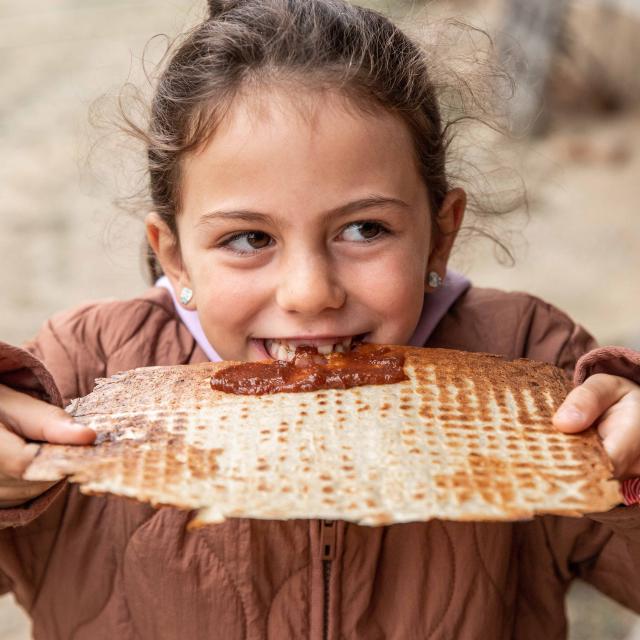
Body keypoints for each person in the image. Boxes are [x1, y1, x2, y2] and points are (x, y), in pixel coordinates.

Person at [1, 1, 639, 638]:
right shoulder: (74, 377)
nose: (310, 294)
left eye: (365, 229)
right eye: (249, 239)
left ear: (440, 236)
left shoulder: (533, 365)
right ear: (176, 257)